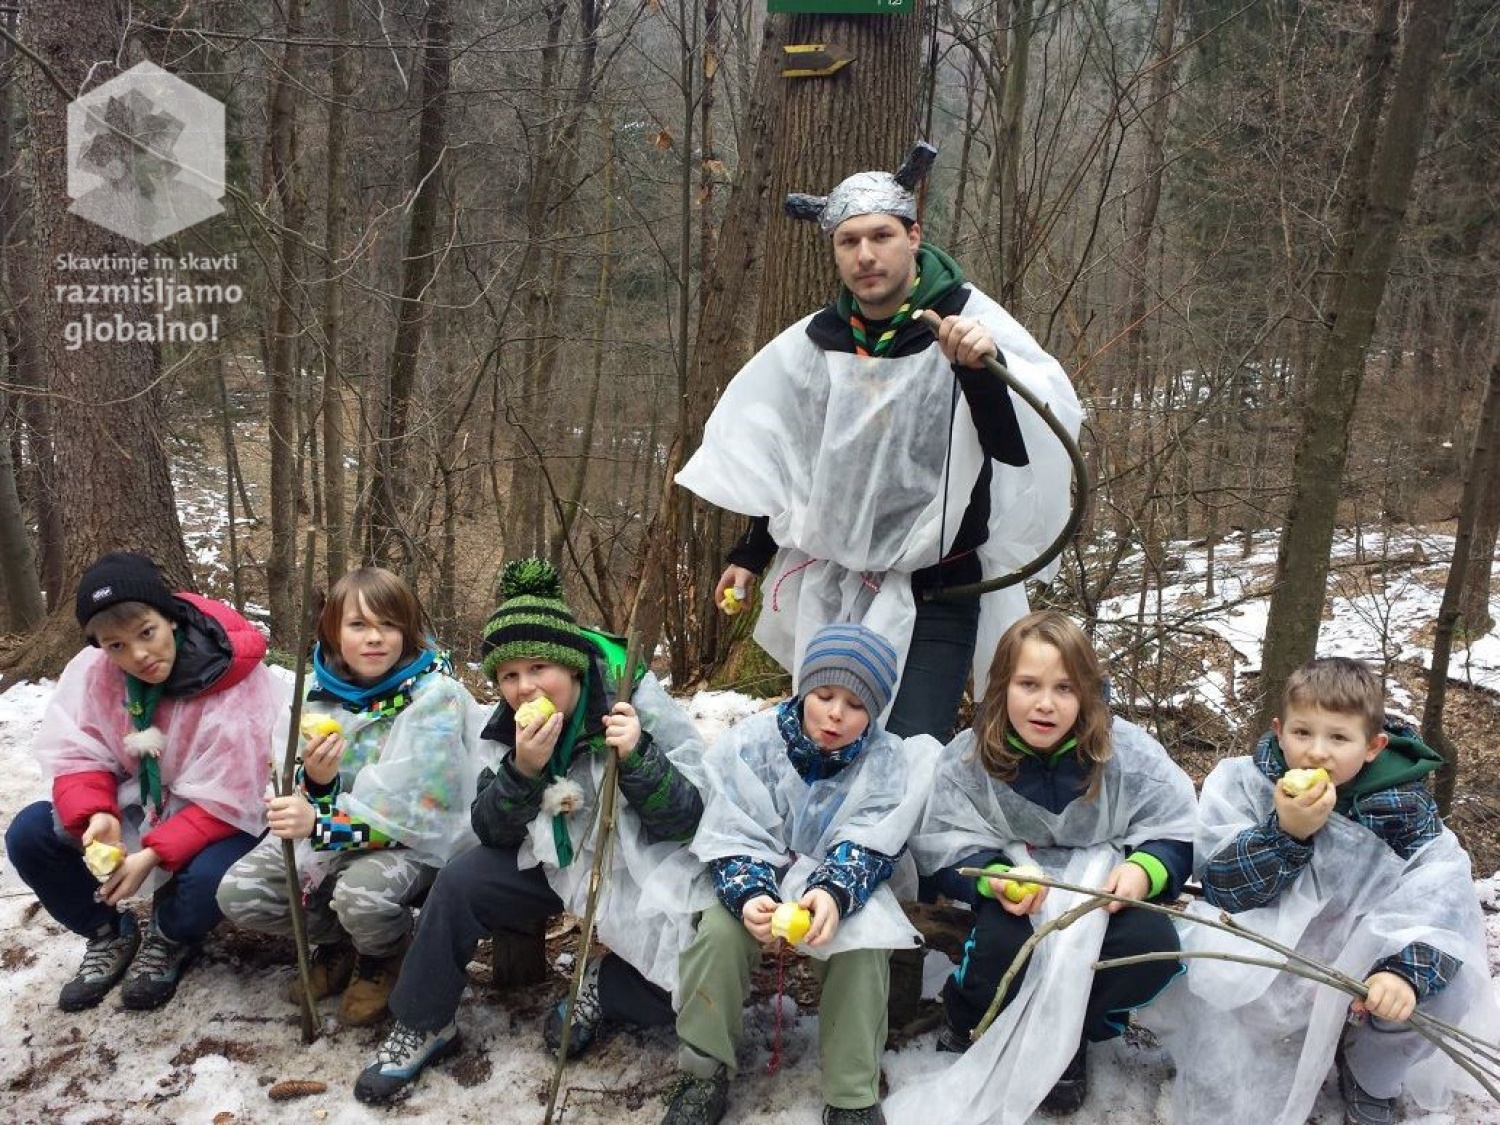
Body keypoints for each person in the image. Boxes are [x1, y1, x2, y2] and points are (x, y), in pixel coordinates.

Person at [675, 143, 1081, 741]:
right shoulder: (819, 342)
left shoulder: (969, 321)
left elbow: (1014, 447)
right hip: (837, 584)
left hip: (941, 583)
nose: (866, 255)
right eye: (848, 241)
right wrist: (750, 554)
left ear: (913, 235)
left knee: (910, 746)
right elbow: (797, 458)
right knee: (830, 741)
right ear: (835, 251)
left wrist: (977, 367)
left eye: (882, 236)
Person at [354, 558, 709, 1104]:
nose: (524, 687)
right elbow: (490, 829)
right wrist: (522, 771)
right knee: (460, 882)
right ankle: (425, 1021)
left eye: (539, 668)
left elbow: (688, 818)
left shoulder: (628, 695)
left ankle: (605, 990)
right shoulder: (503, 725)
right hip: (553, 862)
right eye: (509, 675)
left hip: (638, 861)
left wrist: (638, 758)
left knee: (695, 977)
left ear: (571, 668)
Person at [885, 609, 1196, 1125]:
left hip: (1103, 890)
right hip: (1016, 890)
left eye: (1065, 689)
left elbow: (1175, 828)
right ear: (1002, 686)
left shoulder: (1128, 754)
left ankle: (1071, 1030)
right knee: (1004, 948)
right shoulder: (971, 756)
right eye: (1028, 684)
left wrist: (1145, 869)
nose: (1046, 704)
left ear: (1089, 694)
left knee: (1148, 948)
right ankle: (971, 1019)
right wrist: (990, 875)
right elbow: (941, 840)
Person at [1159, 657, 1497, 1125]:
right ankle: (1244, 1054)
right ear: (1279, 731)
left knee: (1446, 987)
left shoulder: (1403, 808)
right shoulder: (1246, 782)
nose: (1317, 752)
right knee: (1213, 965)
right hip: (1274, 944)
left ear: (1374, 745)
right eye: (1303, 734)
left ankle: (1370, 1068)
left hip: (1365, 950)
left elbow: (1441, 904)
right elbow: (1222, 887)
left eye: (1338, 738)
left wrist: (1402, 974)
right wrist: (1285, 833)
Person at [661, 623, 938, 1125]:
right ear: (802, 688)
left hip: (840, 881)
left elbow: (873, 838)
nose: (836, 714)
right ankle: (703, 1070)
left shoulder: (883, 761)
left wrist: (833, 891)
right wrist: (748, 893)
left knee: (862, 946)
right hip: (751, 872)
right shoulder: (751, 744)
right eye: (825, 695)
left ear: (875, 711)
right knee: (718, 935)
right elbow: (730, 827)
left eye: (856, 705)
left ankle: (852, 1091)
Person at [5, 551, 285, 1011]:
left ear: (170, 619)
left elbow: (235, 795)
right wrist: (97, 815)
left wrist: (154, 853)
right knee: (30, 834)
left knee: (216, 874)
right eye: (116, 645)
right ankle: (106, 933)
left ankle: (172, 935)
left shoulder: (237, 681)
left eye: (146, 633)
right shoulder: (98, 676)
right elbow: (79, 750)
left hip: (222, 816)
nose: (137, 655)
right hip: (142, 800)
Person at [216, 566, 483, 1027]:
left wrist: (319, 822)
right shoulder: (314, 695)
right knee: (242, 893)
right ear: (334, 632)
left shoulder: (436, 698)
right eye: (359, 625)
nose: (375, 638)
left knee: (361, 893)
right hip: (333, 838)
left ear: (409, 630)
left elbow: (423, 811)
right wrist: (318, 783)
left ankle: (384, 955)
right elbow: (288, 785)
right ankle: (340, 945)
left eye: (389, 624)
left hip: (414, 845)